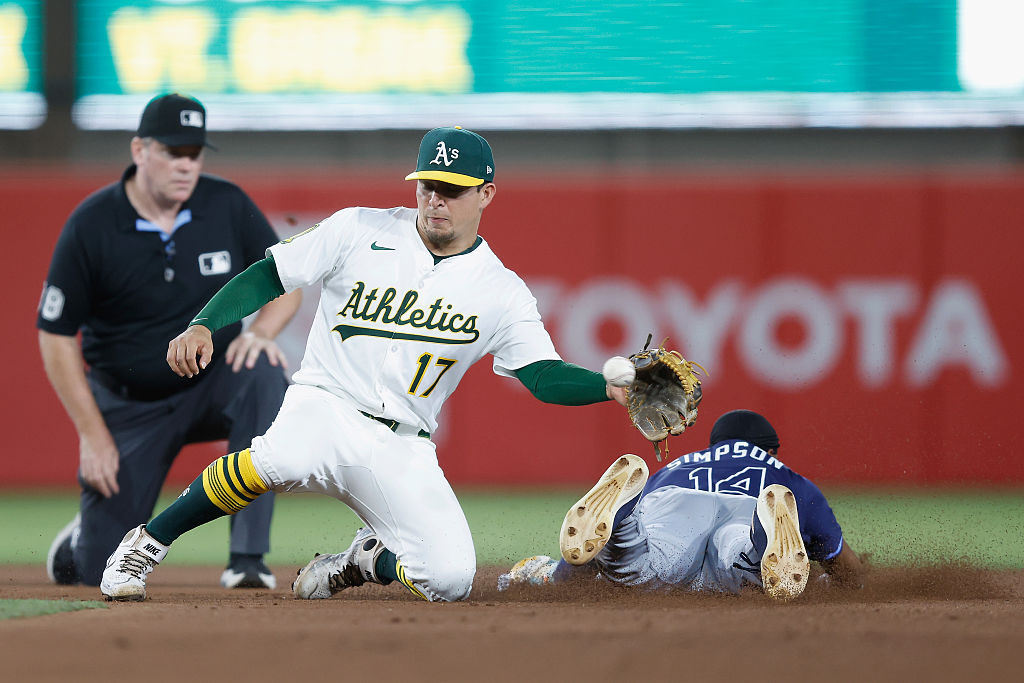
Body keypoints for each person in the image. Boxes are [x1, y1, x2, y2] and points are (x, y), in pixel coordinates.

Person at [97, 125, 636, 603]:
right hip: (323, 404)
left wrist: (606, 389)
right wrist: (203, 324)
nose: (435, 201)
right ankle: (147, 543)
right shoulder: (357, 228)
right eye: (428, 186)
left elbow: (540, 375)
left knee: (449, 580)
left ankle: (361, 561)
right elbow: (270, 274)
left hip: (401, 443)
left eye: (453, 190)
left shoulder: (501, 291)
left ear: (486, 195)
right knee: (278, 459)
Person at [38, 93, 301, 590]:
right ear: (139, 150)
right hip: (129, 407)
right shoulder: (92, 225)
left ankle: (247, 559)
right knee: (97, 572)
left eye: (195, 154)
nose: (186, 165)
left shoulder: (225, 203)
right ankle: (82, 542)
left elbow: (287, 283)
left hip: (212, 384)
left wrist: (261, 333)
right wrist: (92, 436)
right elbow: (54, 336)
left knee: (265, 373)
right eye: (173, 152)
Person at [499, 409, 863, 601]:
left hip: (673, 503)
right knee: (742, 563)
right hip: (748, 509)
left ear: (715, 445)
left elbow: (579, 568)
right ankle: (761, 540)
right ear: (770, 450)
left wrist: (561, 577)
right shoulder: (789, 479)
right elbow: (845, 567)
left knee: (641, 568)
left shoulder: (678, 466)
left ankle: (623, 526)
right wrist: (832, 580)